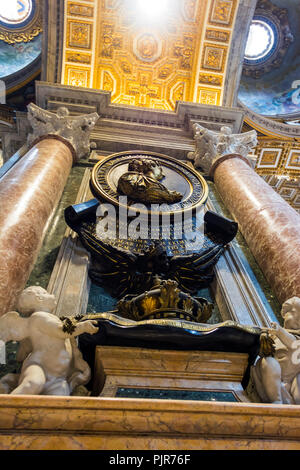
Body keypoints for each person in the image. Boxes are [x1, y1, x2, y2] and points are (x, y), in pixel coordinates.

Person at [0, 286, 98, 396]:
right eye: (46, 293)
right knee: (32, 384)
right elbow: (60, 331)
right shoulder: (39, 317)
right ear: (39, 299)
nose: (52, 295)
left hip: (58, 378)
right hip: (38, 367)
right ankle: (6, 407)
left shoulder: (52, 319)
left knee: (58, 401)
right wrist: (82, 326)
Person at [252, 297, 300, 404]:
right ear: (284, 314)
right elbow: (262, 352)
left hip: (292, 383)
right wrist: (264, 342)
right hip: (273, 380)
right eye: (293, 312)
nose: (298, 318)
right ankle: (276, 401)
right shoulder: (274, 336)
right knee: (267, 362)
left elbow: (294, 344)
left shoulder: (294, 337)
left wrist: (280, 332)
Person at [117, 158, 182, 204]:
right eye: (161, 170)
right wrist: (170, 196)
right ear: (152, 166)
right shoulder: (127, 178)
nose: (163, 175)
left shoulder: (162, 189)